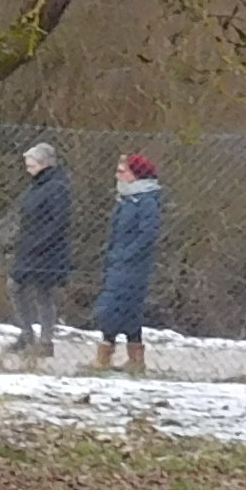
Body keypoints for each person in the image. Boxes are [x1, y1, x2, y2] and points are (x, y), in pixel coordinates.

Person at [89, 152, 164, 372]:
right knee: (128, 309)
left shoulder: (146, 201)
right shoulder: (127, 199)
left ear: (136, 174)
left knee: (114, 305)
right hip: (119, 262)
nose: (117, 175)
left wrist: (127, 254)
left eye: (122, 171)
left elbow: (148, 234)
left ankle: (105, 354)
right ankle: (134, 357)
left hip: (132, 266)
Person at [2, 144, 73, 353]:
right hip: (30, 247)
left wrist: (39, 243)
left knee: (43, 293)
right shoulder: (39, 185)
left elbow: (58, 221)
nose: (27, 168)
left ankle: (45, 341)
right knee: (16, 286)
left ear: (43, 164)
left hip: (46, 250)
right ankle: (28, 334)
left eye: (31, 163)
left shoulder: (56, 186)